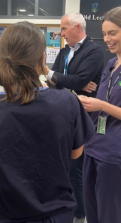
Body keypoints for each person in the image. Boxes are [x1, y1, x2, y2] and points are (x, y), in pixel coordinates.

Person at [0, 21, 95, 223]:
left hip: (9, 214)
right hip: (58, 213)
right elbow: (76, 153)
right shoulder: (68, 102)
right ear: (42, 59)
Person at [43, 13, 104, 223]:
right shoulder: (64, 51)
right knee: (63, 162)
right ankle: (66, 204)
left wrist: (56, 75)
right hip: (62, 112)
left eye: (64, 29)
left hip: (82, 115)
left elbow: (70, 78)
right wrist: (73, 82)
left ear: (77, 27)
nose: (61, 34)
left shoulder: (94, 51)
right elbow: (57, 82)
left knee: (77, 166)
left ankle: (79, 214)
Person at [78, 6, 121, 223]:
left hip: (113, 152)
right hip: (94, 144)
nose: (107, 39)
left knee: (109, 210)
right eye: (104, 34)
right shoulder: (111, 64)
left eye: (112, 33)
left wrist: (101, 106)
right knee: (91, 206)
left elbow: (104, 105)